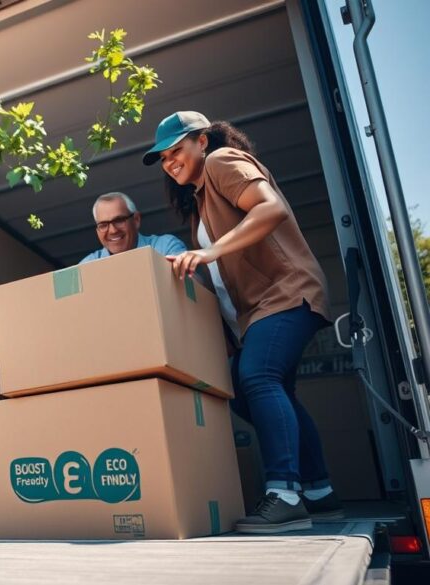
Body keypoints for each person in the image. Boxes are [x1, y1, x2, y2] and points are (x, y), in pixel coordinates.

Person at [143, 111, 340, 534]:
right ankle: (319, 492)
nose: (170, 161)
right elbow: (221, 275)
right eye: (163, 157)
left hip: (288, 292)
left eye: (176, 149)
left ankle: (286, 494)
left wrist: (208, 254)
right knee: (257, 389)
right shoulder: (199, 201)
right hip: (257, 311)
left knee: (256, 376)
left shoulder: (222, 161)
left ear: (202, 141)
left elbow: (271, 209)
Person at [78, 191, 187, 263]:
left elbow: (191, 286)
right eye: (103, 225)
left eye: (119, 220)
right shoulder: (86, 266)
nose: (113, 230)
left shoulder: (165, 247)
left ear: (136, 220)